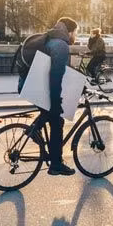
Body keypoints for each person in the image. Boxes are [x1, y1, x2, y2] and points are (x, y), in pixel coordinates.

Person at [41, 16, 79, 176]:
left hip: (31, 84)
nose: (75, 36)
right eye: (75, 32)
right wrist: (56, 102)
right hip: (41, 88)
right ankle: (56, 164)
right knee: (57, 121)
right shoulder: (61, 46)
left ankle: (39, 139)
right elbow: (56, 76)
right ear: (69, 32)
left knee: (48, 116)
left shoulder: (51, 38)